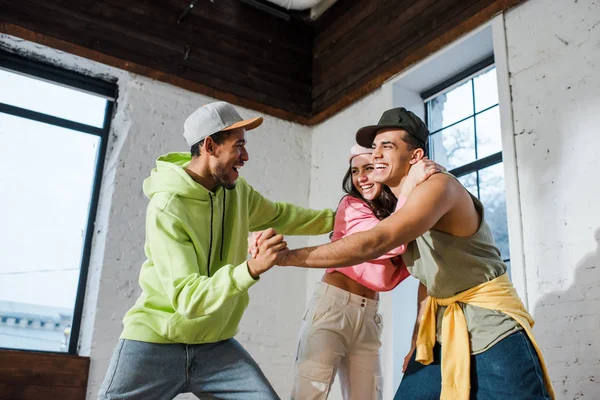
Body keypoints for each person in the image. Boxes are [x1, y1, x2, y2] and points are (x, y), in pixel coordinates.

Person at [276, 107, 555, 400]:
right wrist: (415, 341)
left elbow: (377, 241)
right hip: (441, 330)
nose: (377, 155)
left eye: (388, 146)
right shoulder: (399, 203)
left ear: (416, 156)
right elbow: (429, 281)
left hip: (492, 327)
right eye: (374, 148)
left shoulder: (438, 187)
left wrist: (287, 257)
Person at [98, 101, 335, 400]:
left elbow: (281, 215)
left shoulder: (237, 192)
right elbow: (187, 298)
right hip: (154, 342)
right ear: (210, 145)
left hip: (215, 345)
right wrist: (251, 269)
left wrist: (342, 218)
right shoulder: (168, 208)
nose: (246, 156)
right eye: (239, 146)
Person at [281, 144, 441, 400]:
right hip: (332, 309)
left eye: (369, 168)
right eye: (355, 171)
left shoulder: (399, 214)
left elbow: (416, 270)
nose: (361, 178)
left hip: (369, 317)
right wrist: (411, 186)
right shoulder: (351, 205)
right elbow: (384, 240)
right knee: (308, 395)